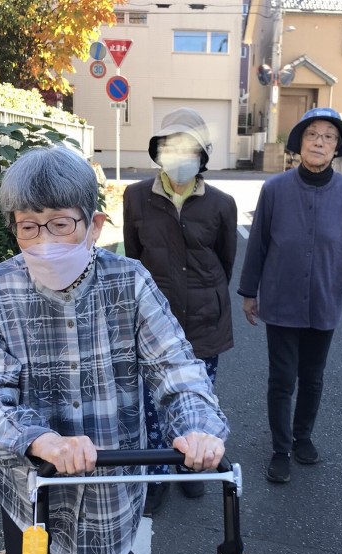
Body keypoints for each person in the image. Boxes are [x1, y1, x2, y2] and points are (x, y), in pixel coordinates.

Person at [0, 145, 228, 554]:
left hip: (111, 484)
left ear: (95, 225)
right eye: (28, 227)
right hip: (30, 488)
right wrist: (40, 440)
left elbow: (176, 366)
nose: (44, 240)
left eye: (60, 224)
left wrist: (197, 428)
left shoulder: (129, 282)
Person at [238, 108, 342, 484]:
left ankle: (303, 437)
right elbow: (258, 244)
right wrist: (249, 291)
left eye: (329, 136)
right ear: (299, 143)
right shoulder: (275, 189)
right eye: (312, 134)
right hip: (280, 299)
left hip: (325, 299)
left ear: (337, 147)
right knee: (282, 378)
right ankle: (281, 449)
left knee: (313, 376)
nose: (319, 142)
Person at [123, 108, 237, 512]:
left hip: (205, 319)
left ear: (202, 156)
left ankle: (190, 468)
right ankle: (157, 474)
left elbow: (225, 263)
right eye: (172, 146)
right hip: (152, 322)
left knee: (197, 397)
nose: (180, 156)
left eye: (189, 148)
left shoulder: (222, 204)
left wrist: (203, 293)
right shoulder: (136, 197)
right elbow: (133, 260)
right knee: (153, 402)